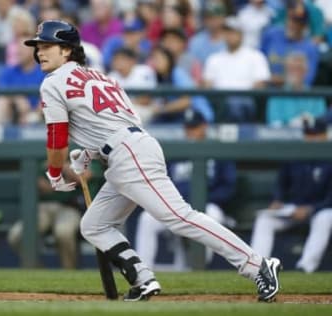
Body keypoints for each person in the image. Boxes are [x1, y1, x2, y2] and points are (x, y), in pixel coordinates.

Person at [24, 20, 282, 302]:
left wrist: (55, 173)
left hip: (128, 154)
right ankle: (142, 279)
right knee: (94, 225)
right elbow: (115, 125)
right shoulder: (102, 77)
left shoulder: (53, 82)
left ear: (67, 51)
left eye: (47, 46)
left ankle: (257, 264)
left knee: (180, 216)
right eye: (38, 47)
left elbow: (57, 139)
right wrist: (87, 154)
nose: (40, 52)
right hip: (132, 147)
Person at [135, 109, 236, 271]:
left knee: (212, 216)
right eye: (188, 128)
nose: (190, 132)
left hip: (208, 205)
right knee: (147, 219)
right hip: (176, 205)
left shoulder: (217, 150)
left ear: (204, 127)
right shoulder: (178, 152)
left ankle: (201, 268)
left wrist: (203, 199)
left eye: (194, 127)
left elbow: (228, 187)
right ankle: (143, 271)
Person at [250, 117, 332, 273]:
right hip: (292, 209)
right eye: (308, 134)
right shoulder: (296, 155)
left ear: (325, 135)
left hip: (319, 210)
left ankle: (306, 267)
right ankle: (258, 268)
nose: (311, 138)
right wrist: (278, 200)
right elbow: (281, 184)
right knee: (265, 220)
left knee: (326, 217)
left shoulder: (329, 158)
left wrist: (311, 209)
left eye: (316, 134)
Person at [203, 17, 271, 122]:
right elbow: (208, 85)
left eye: (233, 32)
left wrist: (241, 95)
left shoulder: (255, 56)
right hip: (221, 102)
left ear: (241, 34)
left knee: (238, 104)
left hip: (247, 100)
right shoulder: (214, 59)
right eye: (227, 32)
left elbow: (261, 83)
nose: (230, 36)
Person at [266, 52, 327, 127]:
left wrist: (310, 120)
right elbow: (273, 124)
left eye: (299, 69)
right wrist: (292, 124)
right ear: (285, 71)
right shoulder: (276, 96)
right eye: (291, 69)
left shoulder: (317, 96)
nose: (295, 73)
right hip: (284, 136)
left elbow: (322, 123)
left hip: (311, 136)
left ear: (306, 72)